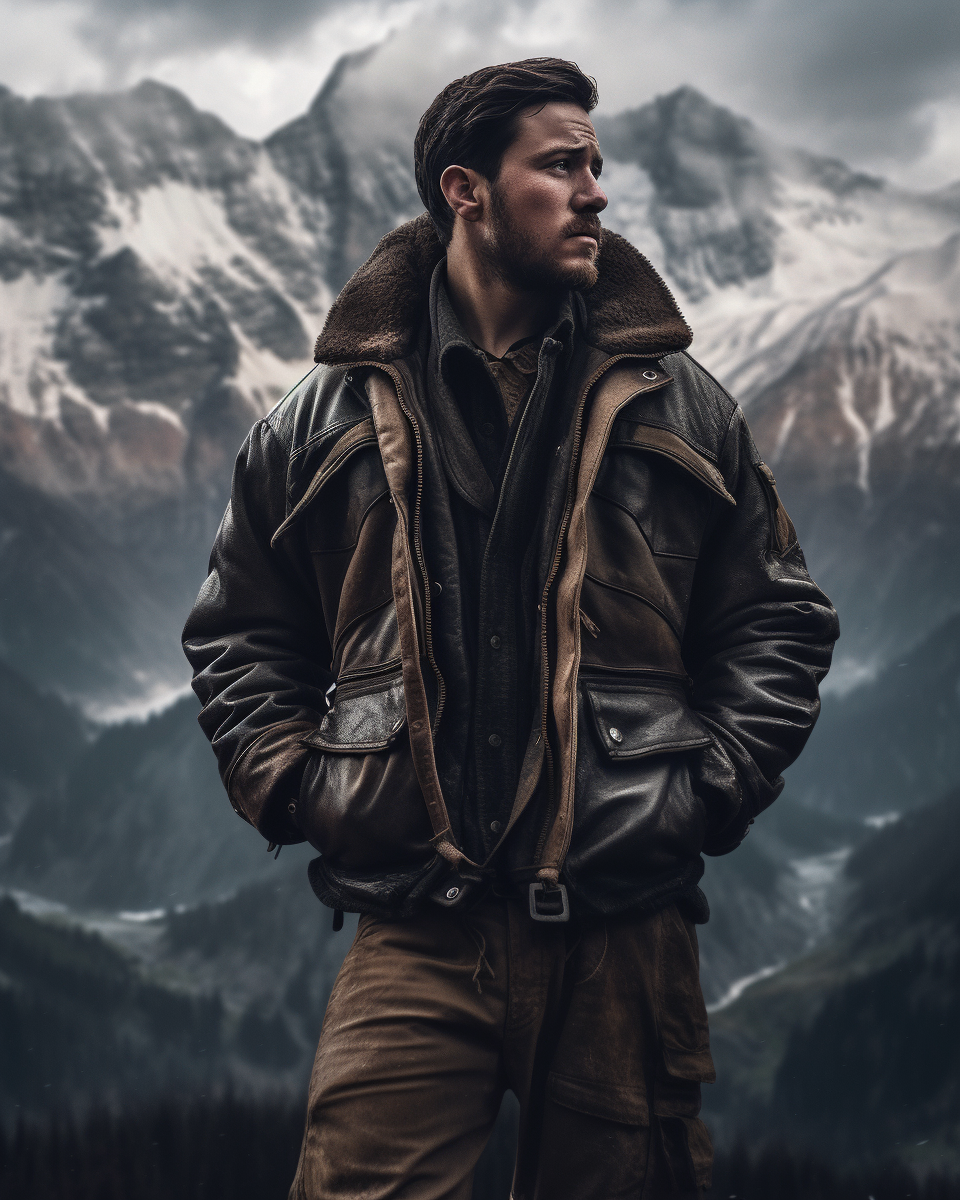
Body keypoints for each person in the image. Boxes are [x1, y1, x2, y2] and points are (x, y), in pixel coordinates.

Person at [183, 57, 838, 1200]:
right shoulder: (316, 419)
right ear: (466, 191)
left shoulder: (683, 404)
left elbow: (778, 620)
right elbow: (241, 631)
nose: (596, 192)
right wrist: (300, 788)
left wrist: (709, 786)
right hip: (412, 930)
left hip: (624, 938)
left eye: (597, 165)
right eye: (562, 165)